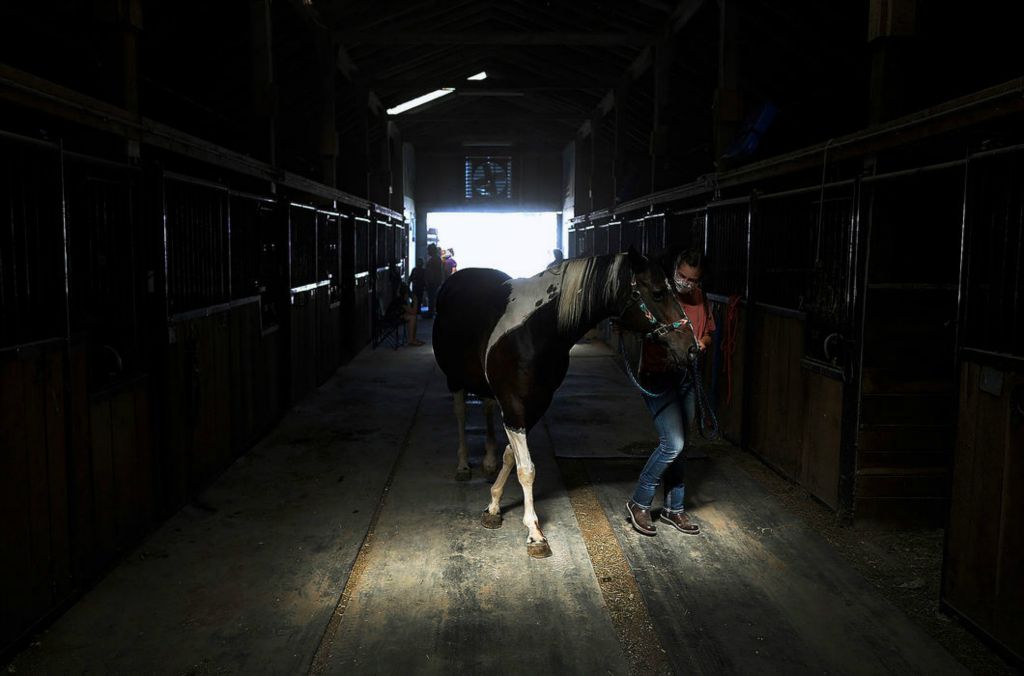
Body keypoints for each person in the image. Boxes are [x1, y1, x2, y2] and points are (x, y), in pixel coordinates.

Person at [625, 247, 715, 537]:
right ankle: (639, 501)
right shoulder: (661, 294)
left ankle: (674, 508)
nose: (685, 283)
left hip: (687, 375)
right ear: (675, 268)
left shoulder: (701, 298)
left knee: (683, 443)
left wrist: (702, 341)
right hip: (658, 374)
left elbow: (709, 331)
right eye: (682, 276)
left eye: (692, 280)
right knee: (672, 443)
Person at [424, 243, 445, 317]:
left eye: (429, 250)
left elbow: (432, 272)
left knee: (431, 297)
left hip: (433, 281)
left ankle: (431, 312)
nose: (428, 252)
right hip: (434, 281)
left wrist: (429, 281)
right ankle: (431, 311)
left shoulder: (434, 259)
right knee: (432, 297)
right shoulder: (436, 259)